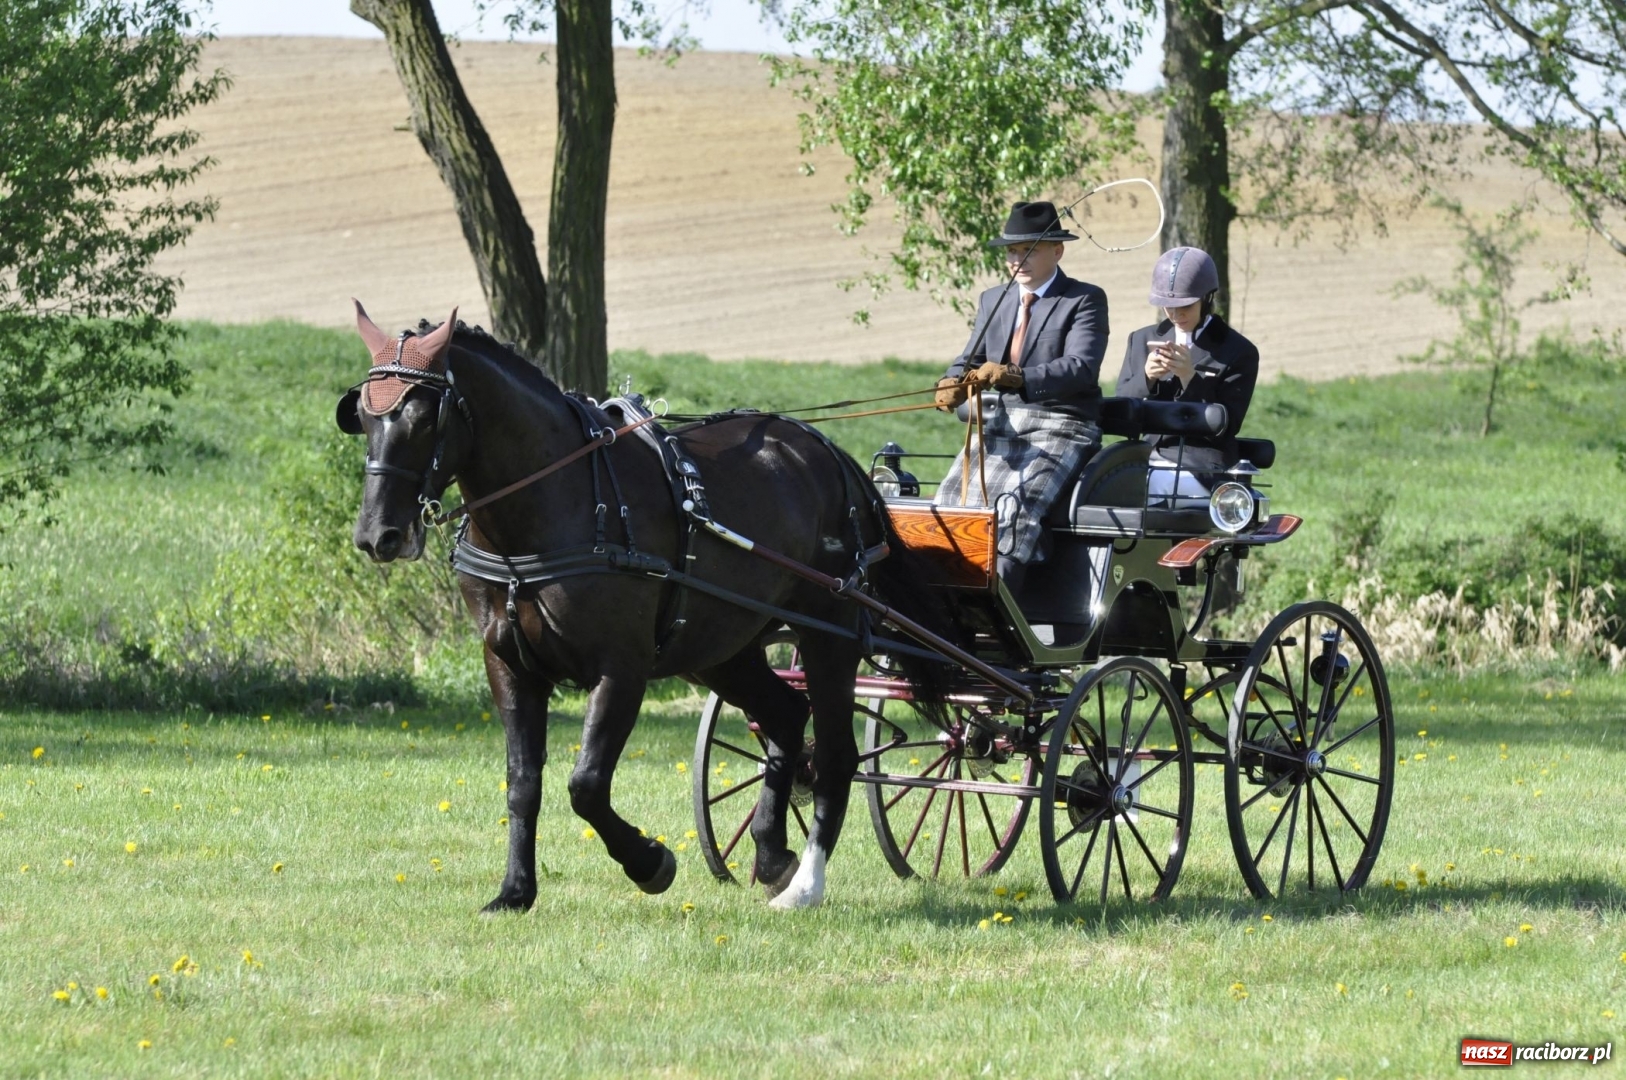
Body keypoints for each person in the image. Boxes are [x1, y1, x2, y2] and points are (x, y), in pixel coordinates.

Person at [932, 201, 1109, 594]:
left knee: (1013, 510)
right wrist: (951, 382)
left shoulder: (1083, 299)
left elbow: (1081, 367)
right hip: (1001, 423)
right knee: (951, 504)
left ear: (1057, 251)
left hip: (1062, 425)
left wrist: (1018, 377)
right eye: (1012, 251)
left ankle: (1001, 611)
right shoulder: (993, 299)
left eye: (1030, 251)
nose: (1018, 260)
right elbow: (970, 357)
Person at [1115, 246, 1259, 486]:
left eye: (1186, 306)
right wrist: (1146, 377)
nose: (1175, 315)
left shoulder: (1238, 350)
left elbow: (1228, 424)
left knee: (1146, 487)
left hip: (1200, 464)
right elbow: (1119, 411)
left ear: (1207, 298)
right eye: (1168, 306)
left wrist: (1189, 379)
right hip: (1142, 457)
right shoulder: (1140, 339)